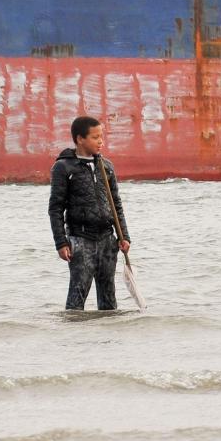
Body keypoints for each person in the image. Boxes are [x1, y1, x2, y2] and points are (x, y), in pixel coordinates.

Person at [48, 116, 131, 310]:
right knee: (77, 299)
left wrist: (124, 236)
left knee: (109, 300)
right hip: (80, 239)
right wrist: (61, 242)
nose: (101, 141)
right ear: (80, 139)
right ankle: (76, 338)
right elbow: (56, 208)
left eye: (101, 136)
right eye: (95, 137)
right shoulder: (63, 167)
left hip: (107, 240)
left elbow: (116, 204)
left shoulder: (107, 167)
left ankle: (108, 338)